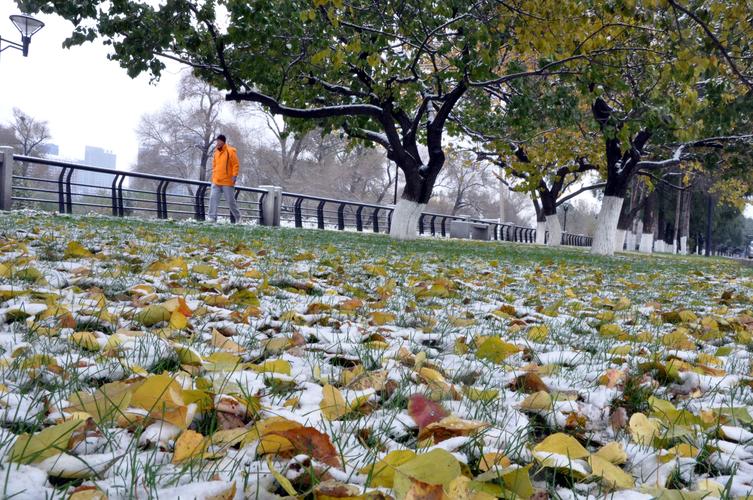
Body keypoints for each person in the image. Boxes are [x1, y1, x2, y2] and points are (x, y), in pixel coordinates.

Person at [208, 134, 242, 223]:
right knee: (213, 199)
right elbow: (214, 166)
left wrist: (234, 176)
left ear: (223, 141)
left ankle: (238, 217)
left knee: (231, 201)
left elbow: (235, 164)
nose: (217, 143)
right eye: (216, 141)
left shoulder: (230, 151)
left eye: (219, 141)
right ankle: (212, 217)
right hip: (216, 181)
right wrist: (214, 177)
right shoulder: (216, 153)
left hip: (227, 181)